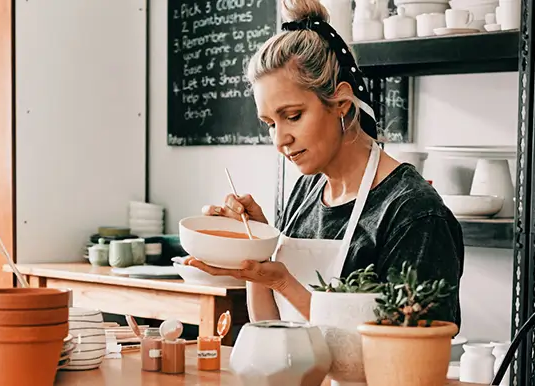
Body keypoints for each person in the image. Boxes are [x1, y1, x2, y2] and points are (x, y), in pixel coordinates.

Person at [178, 0, 464, 325]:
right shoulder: (307, 193)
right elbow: (270, 326)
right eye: (271, 123)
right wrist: (256, 247)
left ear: (340, 102)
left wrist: (283, 281)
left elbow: (403, 356)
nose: (279, 139)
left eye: (293, 116)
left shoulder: (413, 213)